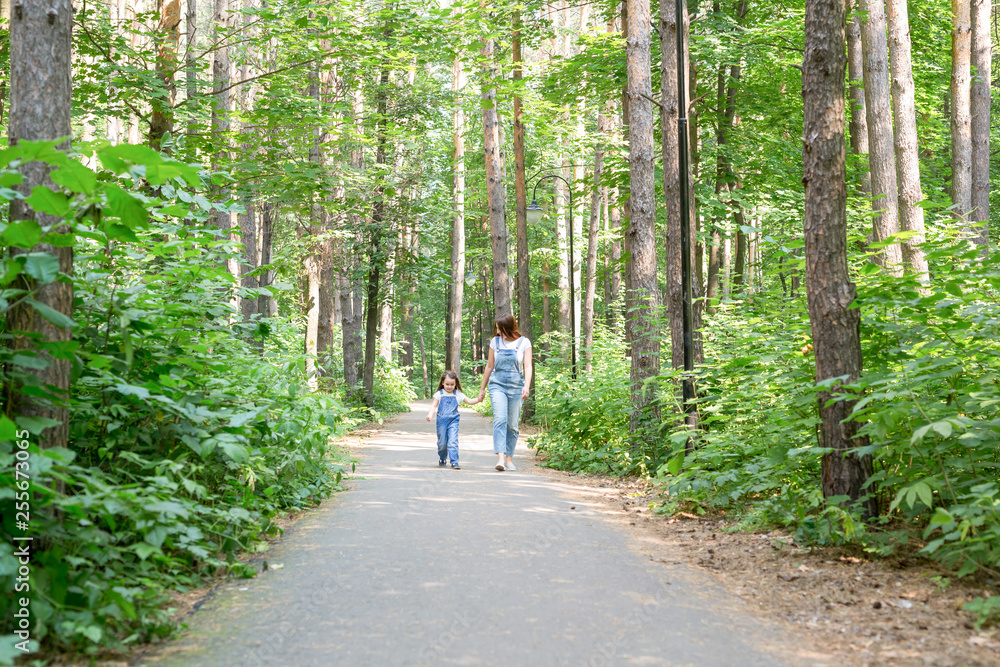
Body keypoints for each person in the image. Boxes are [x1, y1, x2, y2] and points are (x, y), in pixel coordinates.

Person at [477, 315, 532, 471]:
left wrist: (526, 386)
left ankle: (509, 459)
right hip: (497, 385)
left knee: (513, 425)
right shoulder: (495, 342)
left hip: (516, 386)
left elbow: (528, 367)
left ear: (508, 328)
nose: (498, 331)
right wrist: (482, 389)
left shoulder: (524, 343)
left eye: (500, 328)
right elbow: (489, 366)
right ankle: (500, 458)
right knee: (500, 419)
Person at [426, 371, 480, 469]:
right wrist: (430, 415)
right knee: (442, 442)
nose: (449, 387)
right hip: (441, 422)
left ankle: (454, 461)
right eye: (447, 384)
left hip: (453, 421)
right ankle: (442, 457)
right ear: (442, 382)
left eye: (452, 384)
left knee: (453, 441)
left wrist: (478, 399)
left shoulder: (458, 394)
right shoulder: (439, 394)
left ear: (456, 384)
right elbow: (433, 406)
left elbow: (469, 401)